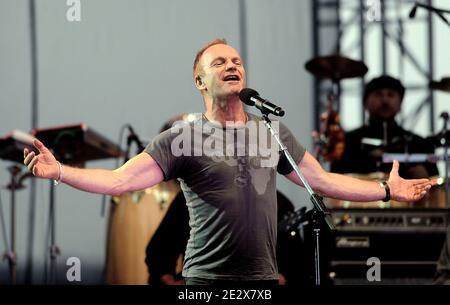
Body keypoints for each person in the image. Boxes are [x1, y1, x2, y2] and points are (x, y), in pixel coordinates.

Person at [23, 39, 435, 285]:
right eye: (219, 62)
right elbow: (119, 181)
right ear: (200, 81)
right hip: (205, 282)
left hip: (261, 281)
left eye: (236, 61)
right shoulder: (180, 138)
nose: (232, 65)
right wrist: (59, 170)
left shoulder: (270, 131)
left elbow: (322, 181)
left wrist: (386, 189)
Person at [330, 75, 439, 180]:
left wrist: (426, 179)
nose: (385, 100)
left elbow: (437, 189)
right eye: (378, 94)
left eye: (391, 95)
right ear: (365, 103)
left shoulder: (420, 144)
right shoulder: (347, 142)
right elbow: (335, 182)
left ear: (400, 104)